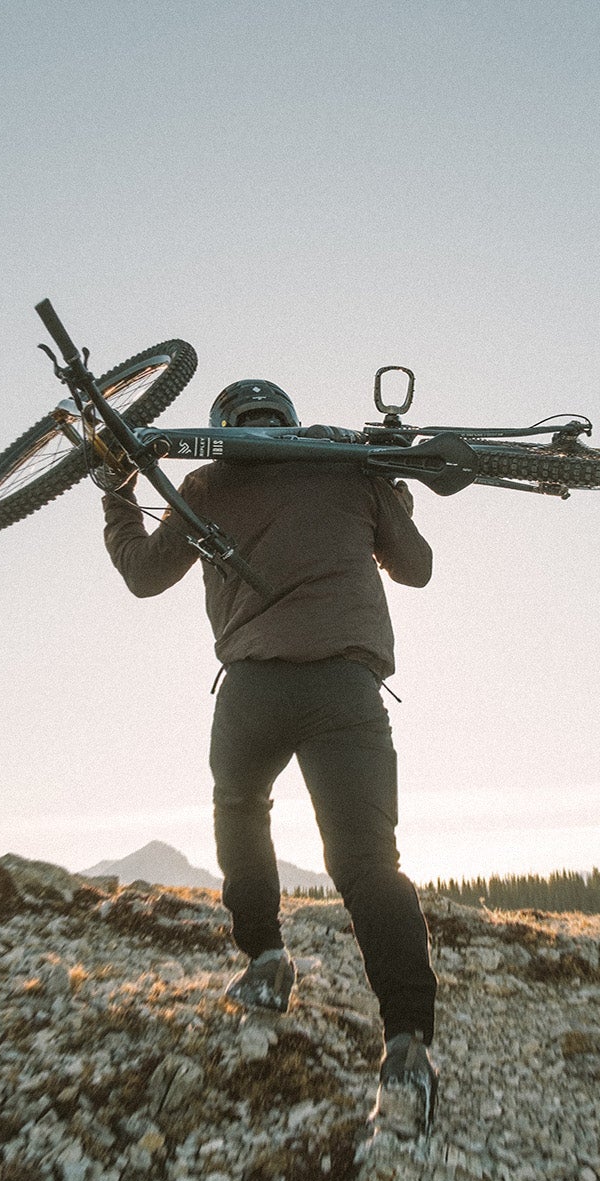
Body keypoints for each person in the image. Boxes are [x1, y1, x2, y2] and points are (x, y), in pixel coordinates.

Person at [99, 377, 441, 1135]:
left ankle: (263, 961)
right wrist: (390, 495)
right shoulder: (349, 466)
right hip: (346, 688)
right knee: (367, 863)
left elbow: (144, 577)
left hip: (252, 689)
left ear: (226, 425)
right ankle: (408, 1047)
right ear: (287, 419)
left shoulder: (207, 482)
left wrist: (116, 496)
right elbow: (414, 568)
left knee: (241, 813)